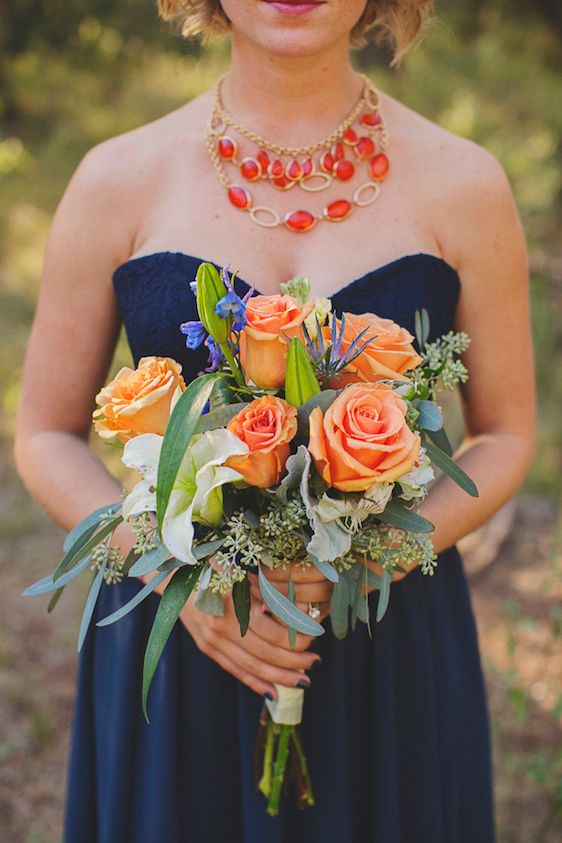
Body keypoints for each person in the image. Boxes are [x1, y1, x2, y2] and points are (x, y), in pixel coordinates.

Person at [15, 1, 535, 841]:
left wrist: (371, 556)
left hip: (383, 641)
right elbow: (42, 432)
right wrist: (170, 572)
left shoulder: (465, 182)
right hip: (185, 635)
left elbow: (507, 433)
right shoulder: (116, 177)